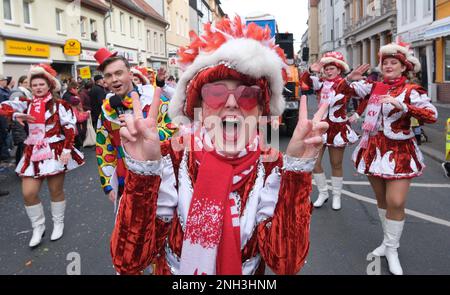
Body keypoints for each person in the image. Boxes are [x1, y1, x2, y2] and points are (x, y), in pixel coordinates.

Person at [110, 16, 328, 275]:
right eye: (216, 93)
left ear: (261, 110)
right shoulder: (172, 158)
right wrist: (143, 174)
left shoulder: (273, 167)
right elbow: (129, 261)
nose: (233, 103)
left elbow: (286, 264)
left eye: (248, 95)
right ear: (199, 107)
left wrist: (297, 174)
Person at [339, 40, 438, 275]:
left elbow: (431, 115)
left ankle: (392, 249)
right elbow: (340, 93)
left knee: (396, 202)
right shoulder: (374, 87)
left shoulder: (412, 91)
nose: (389, 66)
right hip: (373, 150)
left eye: (394, 62)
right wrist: (349, 79)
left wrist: (402, 105)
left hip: (400, 152)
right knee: (382, 200)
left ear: (403, 67)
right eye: (385, 62)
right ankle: (386, 242)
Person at [0, 64, 85, 247]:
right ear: (30, 86)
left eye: (41, 84)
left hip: (54, 151)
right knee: (28, 193)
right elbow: (3, 107)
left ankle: (58, 223)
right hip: (33, 152)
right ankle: (38, 228)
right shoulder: (26, 103)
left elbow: (70, 128)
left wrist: (67, 149)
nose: (38, 87)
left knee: (56, 191)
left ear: (49, 86)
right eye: (35, 84)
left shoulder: (60, 105)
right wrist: (15, 115)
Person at [94, 48, 175, 207]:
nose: (114, 79)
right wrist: (108, 185)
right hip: (125, 179)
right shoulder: (107, 111)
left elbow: (174, 132)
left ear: (130, 75)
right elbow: (104, 148)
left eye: (119, 73)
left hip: (160, 177)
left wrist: (151, 136)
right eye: (109, 76)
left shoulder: (154, 100)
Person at [300, 52, 359, 210]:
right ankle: (323, 192)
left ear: (339, 70)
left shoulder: (345, 84)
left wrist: (359, 113)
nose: (328, 71)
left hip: (337, 128)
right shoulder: (320, 83)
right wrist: (311, 70)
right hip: (320, 126)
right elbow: (304, 83)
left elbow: (358, 93)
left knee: (336, 163)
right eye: (326, 68)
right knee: (314, 161)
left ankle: (337, 196)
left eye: (331, 68)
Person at [9, 76, 32, 165]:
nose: (27, 84)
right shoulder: (17, 93)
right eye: (25, 82)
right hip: (19, 123)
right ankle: (20, 167)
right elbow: (13, 109)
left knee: (24, 145)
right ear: (20, 83)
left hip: (26, 122)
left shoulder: (27, 92)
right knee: (22, 145)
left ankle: (23, 166)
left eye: (28, 82)